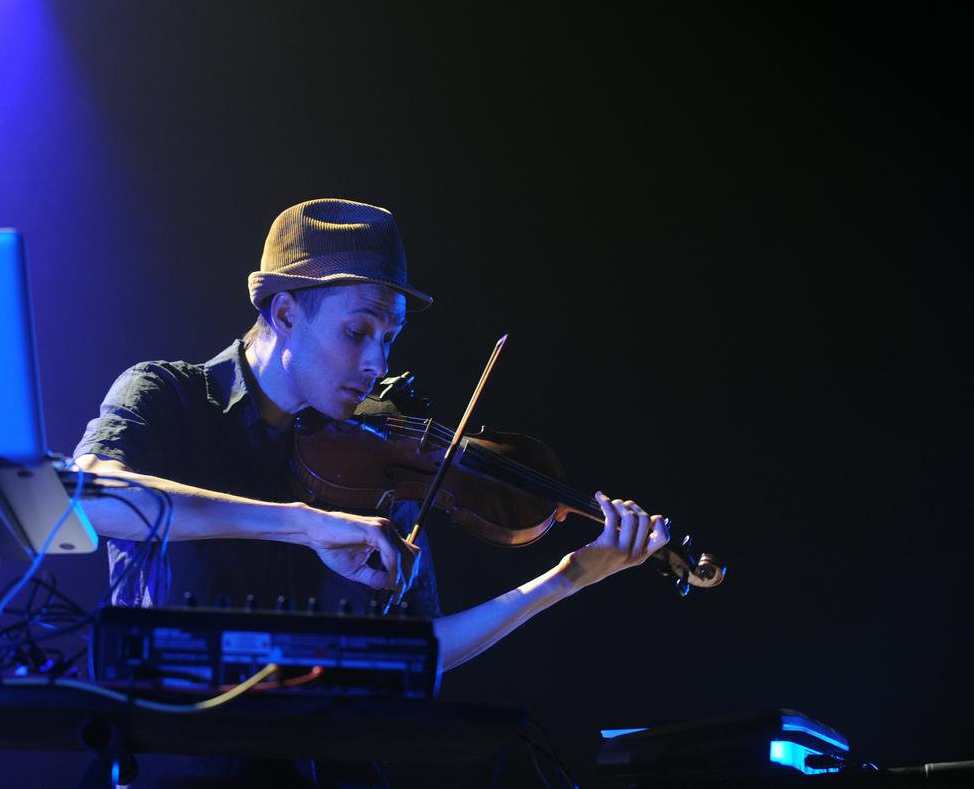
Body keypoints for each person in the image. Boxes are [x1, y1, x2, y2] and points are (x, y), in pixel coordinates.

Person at [72, 198, 670, 785]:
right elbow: (91, 497)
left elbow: (420, 651)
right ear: (283, 313)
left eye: (390, 336)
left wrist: (567, 578)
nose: (376, 362)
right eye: (357, 331)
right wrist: (303, 523)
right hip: (172, 770)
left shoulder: (379, 461)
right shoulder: (167, 398)